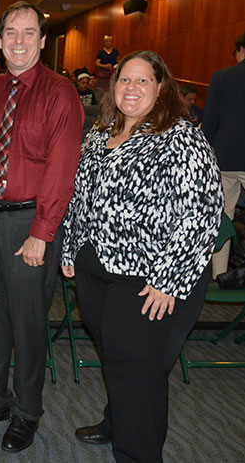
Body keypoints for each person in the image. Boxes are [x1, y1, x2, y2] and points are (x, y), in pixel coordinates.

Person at [61, 50, 223, 462]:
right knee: (116, 355)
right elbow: (81, 198)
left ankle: (136, 452)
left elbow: (202, 212)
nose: (130, 88)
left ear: (161, 87)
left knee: (136, 370)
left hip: (149, 277)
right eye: (124, 80)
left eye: (142, 81)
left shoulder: (179, 136)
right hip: (96, 269)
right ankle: (116, 421)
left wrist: (169, 280)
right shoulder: (101, 132)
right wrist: (70, 248)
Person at [0, 1, 83, 453]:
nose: (20, 41)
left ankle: (27, 412)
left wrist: (42, 232)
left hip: (30, 221)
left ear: (43, 41)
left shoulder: (60, 93)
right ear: (0, 38)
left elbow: (62, 169)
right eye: (12, 32)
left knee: (27, 324)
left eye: (30, 33)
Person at [203, 29, 245, 277]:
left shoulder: (221, 76)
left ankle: (219, 276)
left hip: (225, 159)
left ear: (241, 49)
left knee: (222, 218)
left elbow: (210, 122)